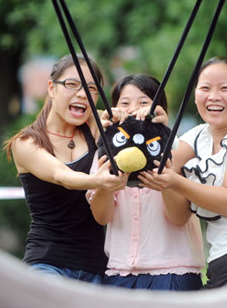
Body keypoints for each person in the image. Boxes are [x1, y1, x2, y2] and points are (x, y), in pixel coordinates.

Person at [139, 57, 227, 289]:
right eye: (205, 88)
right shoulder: (196, 137)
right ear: (195, 93)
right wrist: (152, 128)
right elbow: (177, 213)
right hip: (218, 264)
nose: (213, 96)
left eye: (224, 88)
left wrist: (174, 181)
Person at [3, 54, 128, 284]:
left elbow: (135, 132)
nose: (82, 94)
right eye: (72, 84)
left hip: (97, 267)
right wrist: (99, 181)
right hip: (47, 263)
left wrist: (127, 119)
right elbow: (62, 176)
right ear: (51, 88)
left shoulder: (95, 126)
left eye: (91, 89)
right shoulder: (26, 142)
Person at [87, 74, 205, 291]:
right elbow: (102, 217)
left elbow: (179, 217)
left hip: (174, 272)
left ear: (159, 111)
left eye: (143, 102)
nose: (133, 109)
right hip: (120, 273)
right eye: (124, 103)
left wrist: (166, 180)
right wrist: (107, 181)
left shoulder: (176, 148)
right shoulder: (107, 153)